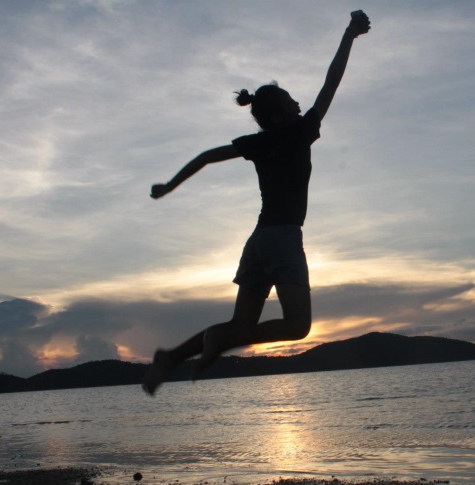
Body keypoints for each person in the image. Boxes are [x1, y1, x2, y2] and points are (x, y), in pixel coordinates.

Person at [142, 10, 371, 396]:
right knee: (297, 326)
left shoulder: (260, 142)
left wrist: (170, 186)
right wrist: (349, 35)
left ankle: (170, 358)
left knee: (241, 325)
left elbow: (206, 157)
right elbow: (332, 82)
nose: (300, 103)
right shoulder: (299, 133)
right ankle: (219, 341)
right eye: (290, 100)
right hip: (282, 239)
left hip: (258, 242)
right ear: (281, 115)